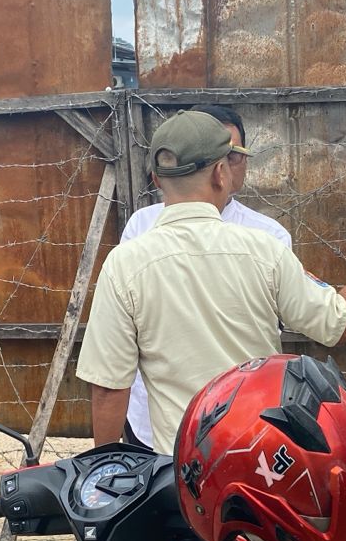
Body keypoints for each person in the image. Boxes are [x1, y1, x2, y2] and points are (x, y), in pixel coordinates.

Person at [76, 110, 346, 453]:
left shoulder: (124, 262)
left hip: (176, 470)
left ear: (155, 179)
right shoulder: (263, 249)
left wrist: (105, 478)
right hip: (259, 459)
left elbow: (108, 387)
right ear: (220, 173)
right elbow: (338, 323)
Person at [118, 104, 290, 448]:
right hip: (150, 422)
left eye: (234, 154)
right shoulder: (141, 226)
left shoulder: (270, 238)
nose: (225, 164)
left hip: (240, 423)